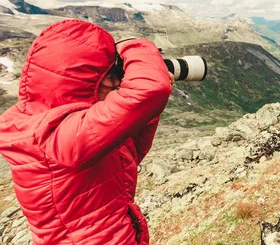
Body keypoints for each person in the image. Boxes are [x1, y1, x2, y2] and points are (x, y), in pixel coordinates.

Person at [0, 19, 173, 244]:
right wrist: (133, 45)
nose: (115, 83)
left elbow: (125, 159)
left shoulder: (59, 126)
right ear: (80, 80)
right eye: (108, 74)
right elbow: (151, 89)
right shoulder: (53, 134)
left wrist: (144, 113)